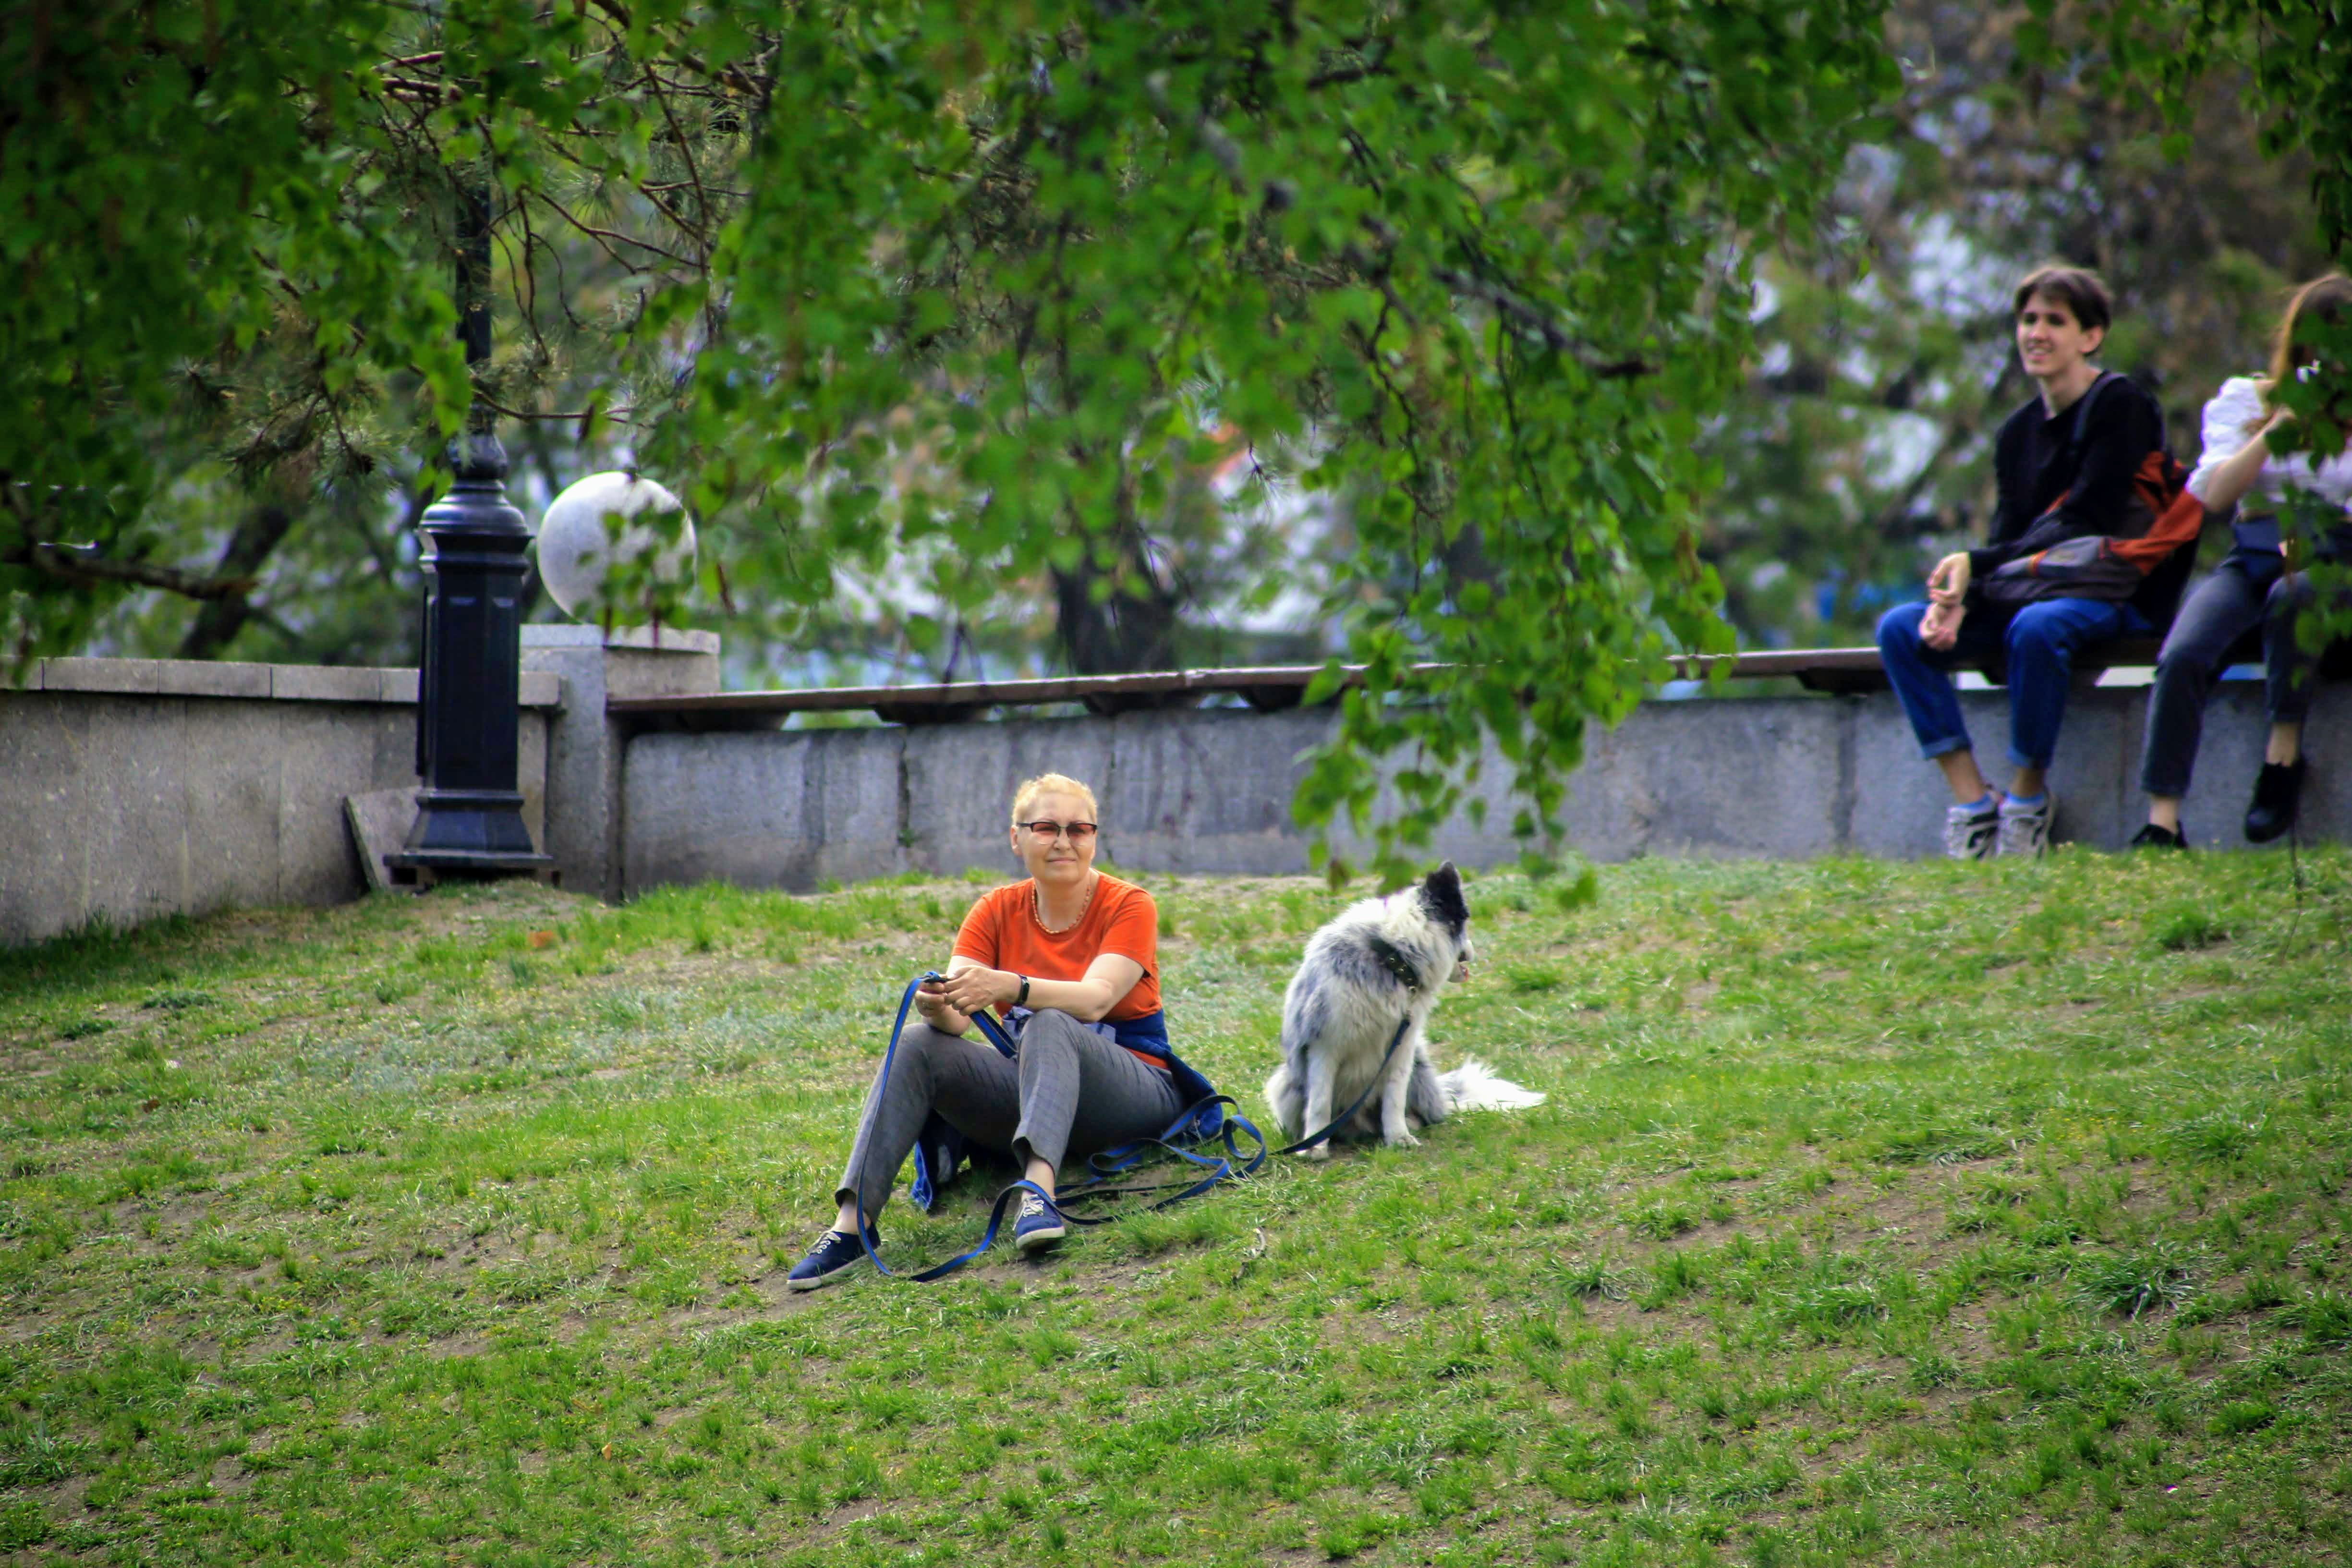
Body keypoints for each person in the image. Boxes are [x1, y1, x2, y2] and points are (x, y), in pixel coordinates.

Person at [788, 772, 1189, 1289]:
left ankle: (1037, 1193)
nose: (1063, 841)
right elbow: (958, 1017)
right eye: (1046, 828)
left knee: (1050, 1020)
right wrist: (938, 1005)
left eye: (1079, 829)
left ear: (1094, 838)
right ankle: (852, 1226)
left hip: (1133, 1096)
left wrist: (1011, 985)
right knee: (917, 1042)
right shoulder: (995, 909)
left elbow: (1096, 998)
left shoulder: (1130, 904)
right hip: (1038, 1092)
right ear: (1016, 838)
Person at [1876, 266, 2183, 859]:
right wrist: (1959, 600)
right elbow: (2010, 537)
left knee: (2035, 627)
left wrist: (1974, 562)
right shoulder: (2016, 432)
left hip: (2113, 592)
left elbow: (2086, 518)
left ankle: (2025, 800)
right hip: (2033, 591)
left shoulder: (2121, 406)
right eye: (2027, 319)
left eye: (2054, 321)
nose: (2035, 333)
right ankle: (1973, 803)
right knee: (1899, 629)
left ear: (2090, 336)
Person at [2133, 274, 2352, 849]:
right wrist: (2276, 430)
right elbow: (2213, 495)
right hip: (2254, 554)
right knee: (2183, 653)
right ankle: (2161, 821)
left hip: (2330, 563)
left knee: (2293, 594)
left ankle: (2281, 761)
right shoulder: (2246, 399)